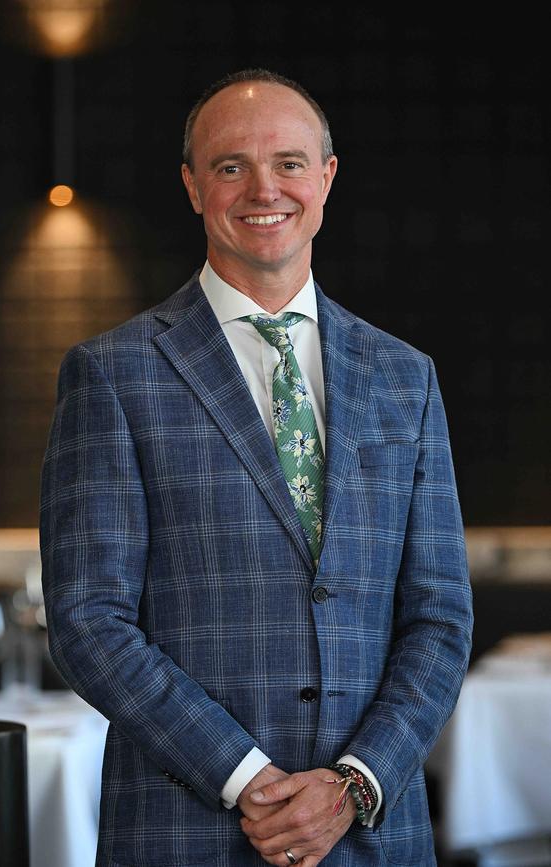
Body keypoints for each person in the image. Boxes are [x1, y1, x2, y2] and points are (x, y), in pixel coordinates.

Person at [40, 68, 473, 867]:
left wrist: (352, 784)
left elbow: (441, 618)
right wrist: (250, 780)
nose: (262, 187)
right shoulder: (113, 373)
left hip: (373, 833)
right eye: (231, 165)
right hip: (189, 829)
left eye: (290, 162)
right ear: (193, 186)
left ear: (327, 178)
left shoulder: (404, 376)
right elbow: (87, 620)